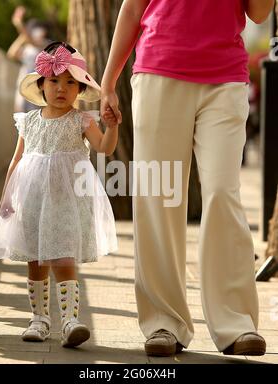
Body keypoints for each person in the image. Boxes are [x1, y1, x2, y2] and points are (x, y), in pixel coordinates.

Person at [100, 0, 274, 357]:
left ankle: (236, 321)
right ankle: (163, 321)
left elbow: (257, 13)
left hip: (225, 78)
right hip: (159, 70)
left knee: (223, 193)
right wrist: (108, 81)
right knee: (158, 197)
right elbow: (133, 9)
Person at [0, 41, 118, 348]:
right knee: (35, 258)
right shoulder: (29, 121)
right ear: (42, 84)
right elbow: (17, 160)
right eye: (55, 81)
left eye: (71, 83)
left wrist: (112, 127)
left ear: (81, 90)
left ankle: (71, 319)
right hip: (32, 198)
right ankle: (39, 318)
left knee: (63, 256)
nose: (62, 89)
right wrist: (7, 198)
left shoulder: (80, 120)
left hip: (66, 202)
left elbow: (104, 148)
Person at [7, 6, 51, 112]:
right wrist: (22, 35)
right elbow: (11, 54)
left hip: (38, 88)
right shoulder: (28, 48)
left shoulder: (46, 45)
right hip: (22, 86)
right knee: (21, 119)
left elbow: (32, 41)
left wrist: (19, 24)